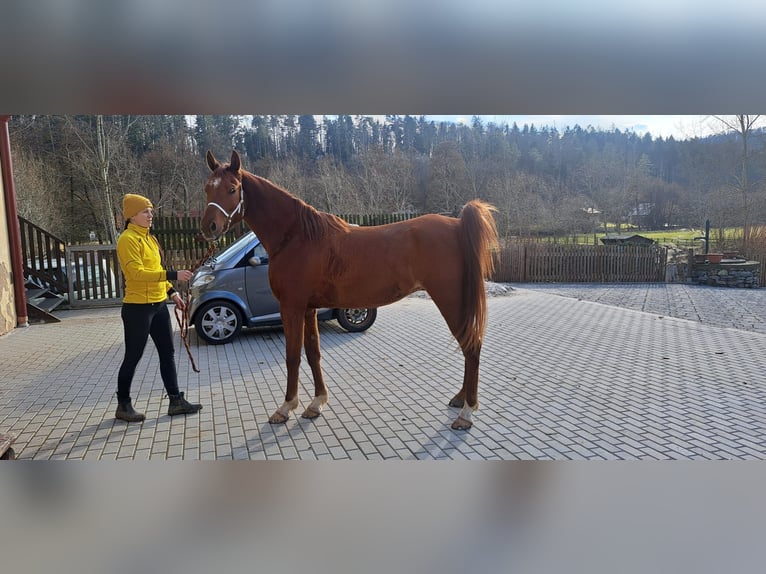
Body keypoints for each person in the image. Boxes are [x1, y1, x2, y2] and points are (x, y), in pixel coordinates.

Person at [114, 193, 203, 422]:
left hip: (158, 305)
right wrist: (174, 275)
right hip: (137, 309)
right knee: (133, 356)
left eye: (151, 211)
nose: (150, 215)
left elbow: (156, 270)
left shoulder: (150, 239)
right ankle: (123, 405)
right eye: (145, 211)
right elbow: (137, 273)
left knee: (168, 353)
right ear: (132, 216)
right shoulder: (127, 240)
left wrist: (172, 293)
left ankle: (175, 401)